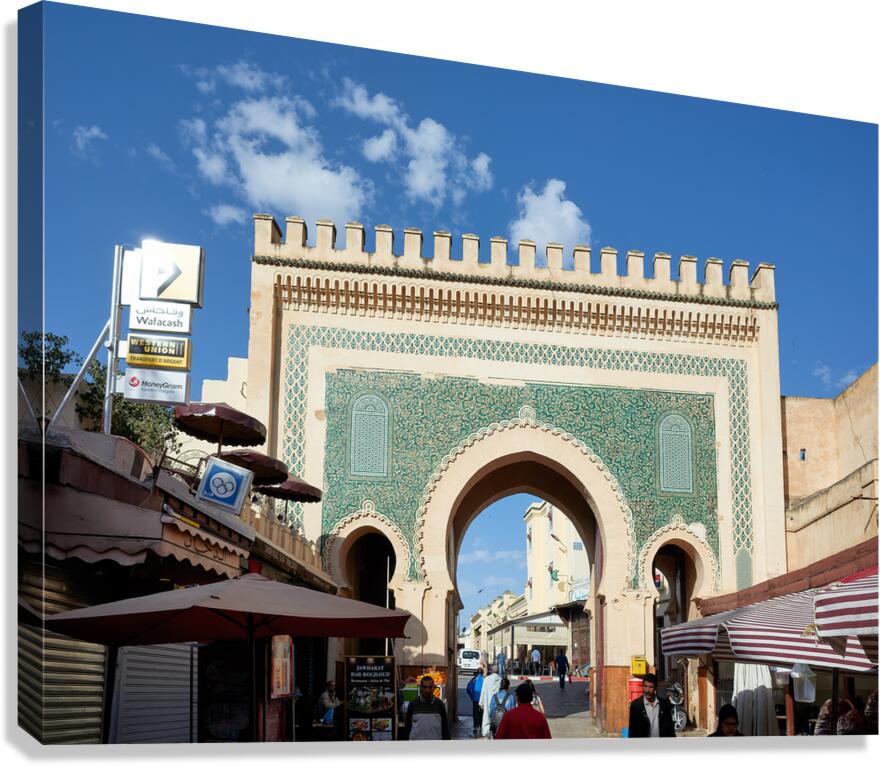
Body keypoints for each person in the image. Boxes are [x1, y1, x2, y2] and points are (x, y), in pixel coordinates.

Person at [628, 673, 676, 737]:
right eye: (645, 686)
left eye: (651, 687)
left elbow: (670, 730)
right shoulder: (635, 706)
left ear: (655, 688)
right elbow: (632, 732)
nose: (647, 690)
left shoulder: (664, 705)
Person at [404, 674, 450, 740]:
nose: (427, 690)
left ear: (434, 688)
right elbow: (407, 727)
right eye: (424, 687)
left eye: (430, 687)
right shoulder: (413, 704)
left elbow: (445, 727)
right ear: (420, 688)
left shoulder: (439, 704)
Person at [478, 663, 502, 737]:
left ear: (491, 671)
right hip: (498, 704)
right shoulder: (501, 680)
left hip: (487, 702)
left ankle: (487, 733)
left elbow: (483, 691)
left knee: (487, 718)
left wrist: (481, 703)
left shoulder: (487, 679)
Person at [466, 668, 484, 737]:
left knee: (475, 712)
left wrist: (472, 696)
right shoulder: (484, 679)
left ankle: (475, 726)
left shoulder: (473, 679)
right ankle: (481, 725)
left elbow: (468, 689)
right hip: (482, 700)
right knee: (481, 712)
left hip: (475, 700)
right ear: (482, 673)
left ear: (476, 673)